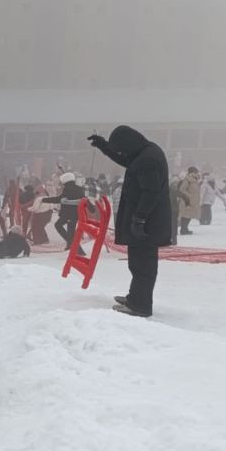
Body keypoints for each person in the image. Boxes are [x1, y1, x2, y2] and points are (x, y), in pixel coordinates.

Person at [89, 125, 170, 318]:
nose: (121, 153)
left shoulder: (148, 159)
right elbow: (128, 161)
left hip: (147, 223)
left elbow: (150, 193)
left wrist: (139, 219)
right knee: (138, 262)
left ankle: (140, 305)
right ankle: (135, 297)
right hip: (145, 221)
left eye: (121, 148)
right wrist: (105, 147)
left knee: (143, 264)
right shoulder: (144, 152)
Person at [43, 172, 85, 248]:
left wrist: (44, 200)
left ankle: (74, 245)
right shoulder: (79, 188)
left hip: (68, 214)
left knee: (58, 225)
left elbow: (59, 199)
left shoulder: (67, 189)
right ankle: (70, 245)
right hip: (75, 214)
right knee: (71, 231)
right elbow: (84, 200)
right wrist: (92, 209)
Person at [178, 167, 201, 235]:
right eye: (196, 172)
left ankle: (185, 229)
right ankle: (183, 230)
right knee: (185, 215)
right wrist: (190, 196)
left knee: (190, 215)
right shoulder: (187, 179)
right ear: (192, 172)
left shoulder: (195, 179)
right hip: (187, 201)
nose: (197, 173)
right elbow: (182, 189)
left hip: (193, 201)